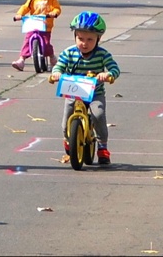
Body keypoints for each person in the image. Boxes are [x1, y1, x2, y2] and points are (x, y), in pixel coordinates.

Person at [48, 12, 120, 165]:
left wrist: (107, 75)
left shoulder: (102, 54)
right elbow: (59, 66)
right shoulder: (69, 53)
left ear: (98, 39)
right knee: (66, 118)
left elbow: (114, 68)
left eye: (90, 39)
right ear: (75, 36)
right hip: (73, 93)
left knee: (98, 114)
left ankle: (102, 146)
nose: (84, 43)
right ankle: (68, 139)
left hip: (95, 94)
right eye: (80, 39)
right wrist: (57, 74)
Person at [11, 0, 62, 71]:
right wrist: (19, 14)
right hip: (33, 23)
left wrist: (54, 13)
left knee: (46, 43)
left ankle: (52, 58)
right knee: (27, 41)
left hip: (45, 25)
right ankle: (21, 60)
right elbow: (26, 7)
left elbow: (57, 8)